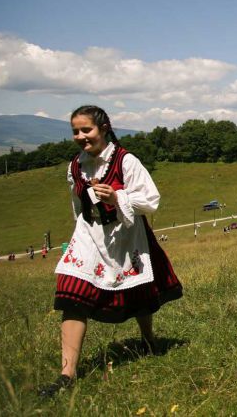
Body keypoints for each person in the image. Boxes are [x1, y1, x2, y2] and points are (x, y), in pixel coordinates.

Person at [39, 105, 182, 397]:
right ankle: (67, 374)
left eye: (86, 130)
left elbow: (151, 200)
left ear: (103, 128)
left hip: (125, 235)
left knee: (137, 291)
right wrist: (79, 230)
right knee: (72, 294)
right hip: (89, 236)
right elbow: (77, 206)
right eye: (75, 131)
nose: (80, 136)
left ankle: (148, 339)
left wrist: (118, 196)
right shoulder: (74, 166)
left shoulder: (125, 160)